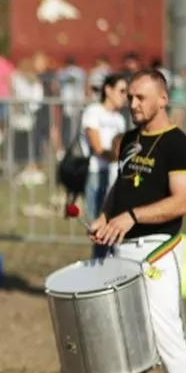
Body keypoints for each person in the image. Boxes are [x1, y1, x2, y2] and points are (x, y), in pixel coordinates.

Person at [83, 69, 186, 373]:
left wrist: (131, 217)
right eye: (130, 96)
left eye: (140, 98)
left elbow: (180, 202)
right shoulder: (130, 139)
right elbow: (119, 187)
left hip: (158, 249)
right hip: (121, 246)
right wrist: (105, 216)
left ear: (162, 99)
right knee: (115, 327)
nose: (132, 104)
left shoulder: (180, 146)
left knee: (165, 330)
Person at [80, 74, 128, 259]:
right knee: (99, 228)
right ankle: (99, 269)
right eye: (121, 91)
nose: (125, 96)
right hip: (95, 173)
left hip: (113, 174)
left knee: (112, 226)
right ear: (108, 89)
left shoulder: (119, 119)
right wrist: (116, 155)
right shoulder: (94, 111)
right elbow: (97, 147)